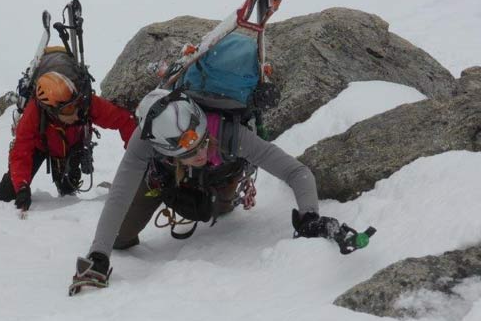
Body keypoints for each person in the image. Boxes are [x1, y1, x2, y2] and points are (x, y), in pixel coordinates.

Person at [75, 87, 344, 283]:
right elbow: (119, 195)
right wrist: (99, 255)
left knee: (212, 210)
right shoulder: (145, 139)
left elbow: (297, 172)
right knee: (120, 238)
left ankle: (214, 199)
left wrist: (309, 216)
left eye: (203, 142)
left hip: (218, 183)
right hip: (166, 181)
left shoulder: (230, 135)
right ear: (166, 152)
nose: (201, 152)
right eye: (190, 152)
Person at [0, 71, 137, 212]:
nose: (76, 113)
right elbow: (21, 151)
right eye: (68, 109)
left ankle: (66, 184)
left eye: (75, 104)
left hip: (72, 146)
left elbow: (124, 120)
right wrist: (22, 186)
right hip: (40, 146)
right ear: (52, 110)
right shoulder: (33, 114)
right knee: (6, 193)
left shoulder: (86, 103)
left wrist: (139, 157)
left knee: (68, 191)